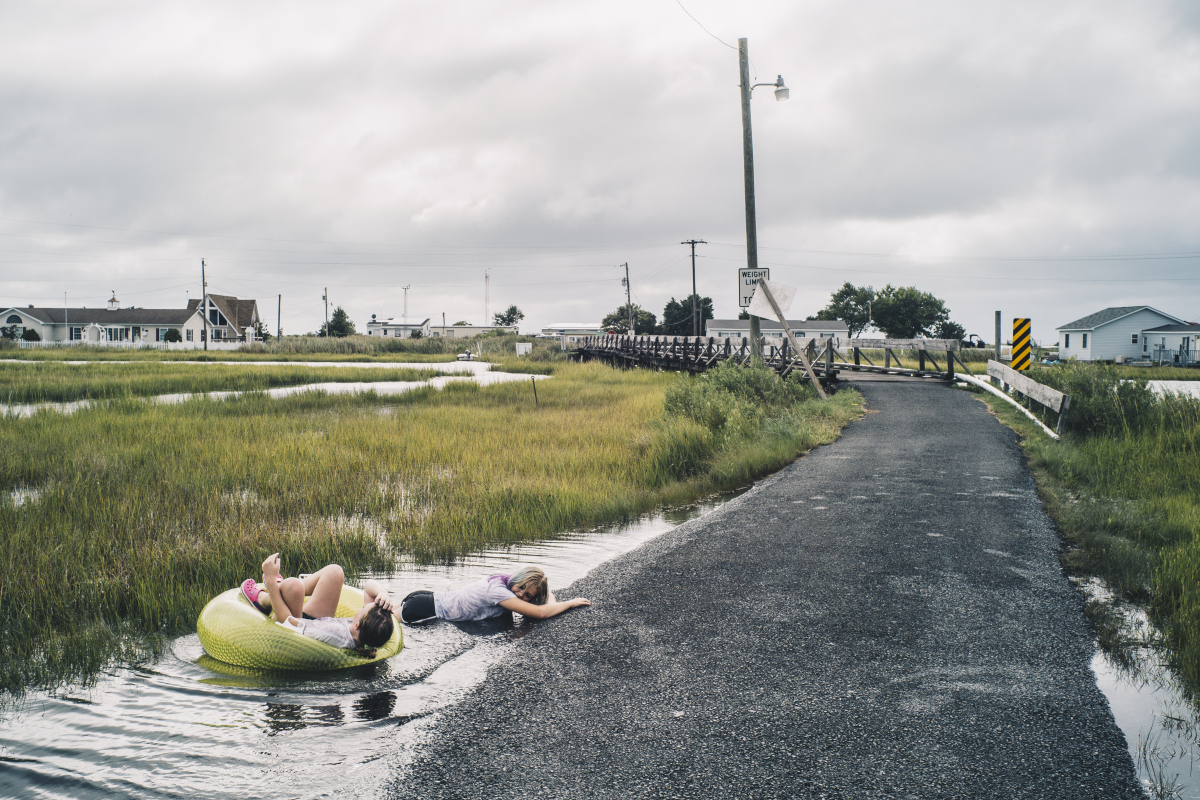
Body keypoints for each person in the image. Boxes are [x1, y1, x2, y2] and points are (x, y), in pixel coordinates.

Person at [240, 554, 395, 655]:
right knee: (335, 572)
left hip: (289, 632)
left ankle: (263, 600)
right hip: (314, 623)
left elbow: (287, 623)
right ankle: (282, 587)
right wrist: (383, 594)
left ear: (357, 626)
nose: (362, 606)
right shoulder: (366, 631)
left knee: (293, 587)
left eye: (362, 609)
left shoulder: (331, 634)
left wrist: (271, 580)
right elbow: (369, 588)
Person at [399, 566, 590, 625]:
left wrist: (545, 602)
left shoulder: (506, 583)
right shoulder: (498, 590)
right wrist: (570, 603)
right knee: (385, 620)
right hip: (425, 609)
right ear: (518, 578)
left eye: (528, 596)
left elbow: (546, 600)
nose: (520, 594)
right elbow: (541, 613)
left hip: (429, 600)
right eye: (521, 587)